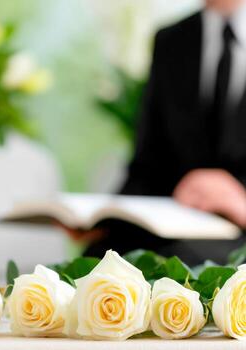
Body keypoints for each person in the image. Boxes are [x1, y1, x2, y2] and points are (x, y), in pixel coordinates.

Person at [84, 0, 246, 264]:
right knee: (94, 262)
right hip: (175, 224)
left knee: (172, 265)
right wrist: (103, 218)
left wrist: (240, 200)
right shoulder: (173, 40)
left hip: (234, 235)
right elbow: (148, 163)